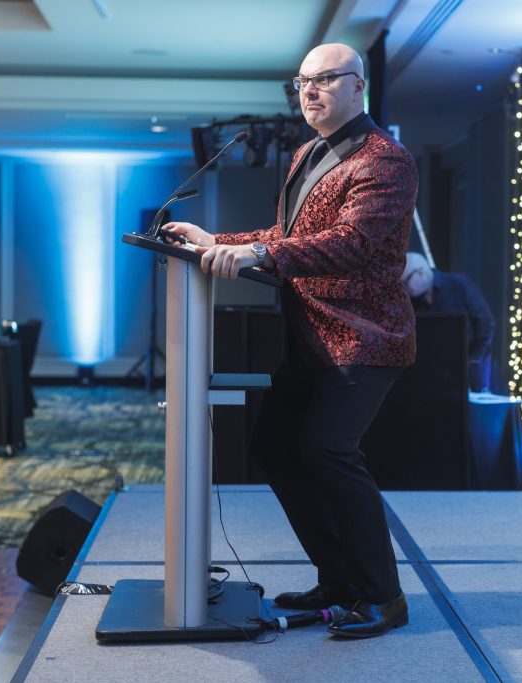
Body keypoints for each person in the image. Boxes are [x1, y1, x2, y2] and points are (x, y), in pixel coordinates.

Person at [162, 43, 417, 639]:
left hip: (363, 336)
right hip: (309, 337)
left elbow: (351, 243)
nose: (310, 90)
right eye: (302, 81)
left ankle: (384, 596)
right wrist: (214, 239)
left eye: (325, 78)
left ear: (359, 87)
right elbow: (285, 236)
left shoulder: (386, 159)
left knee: (329, 450)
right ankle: (338, 578)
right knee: (276, 447)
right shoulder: (307, 151)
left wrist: (257, 252)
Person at [402, 252, 495, 392]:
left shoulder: (459, 285)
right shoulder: (411, 303)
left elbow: (486, 323)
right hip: (439, 374)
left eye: (405, 282)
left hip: (472, 368)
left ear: (420, 273)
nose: (404, 288)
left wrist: (474, 359)